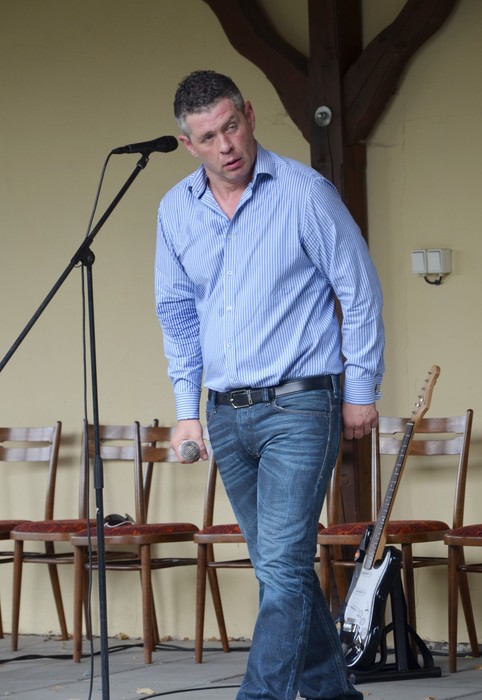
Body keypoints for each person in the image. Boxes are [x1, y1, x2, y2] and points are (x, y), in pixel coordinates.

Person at [155, 70, 384, 700]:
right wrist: (186, 410)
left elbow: (358, 288)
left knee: (281, 566)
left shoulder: (304, 193)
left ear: (249, 116)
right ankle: (335, 694)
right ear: (188, 144)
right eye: (208, 137)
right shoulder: (176, 210)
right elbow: (177, 314)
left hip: (300, 404)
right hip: (226, 414)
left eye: (231, 126)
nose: (226, 145)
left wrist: (361, 387)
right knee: (278, 571)